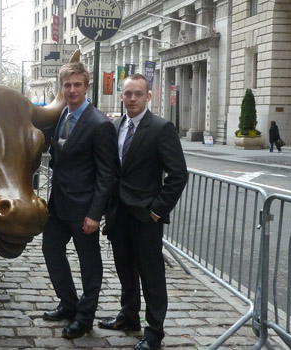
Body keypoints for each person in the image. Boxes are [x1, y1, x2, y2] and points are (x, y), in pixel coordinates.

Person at [99, 74, 188, 350]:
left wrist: (157, 211)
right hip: (119, 214)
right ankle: (128, 316)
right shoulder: (115, 126)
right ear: (121, 96)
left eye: (138, 93)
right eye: (128, 94)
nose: (132, 99)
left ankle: (154, 333)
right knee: (125, 269)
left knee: (151, 276)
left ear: (148, 96)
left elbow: (178, 175)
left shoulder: (161, 128)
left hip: (146, 216)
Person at [40, 61, 118, 339]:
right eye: (67, 85)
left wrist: (95, 214)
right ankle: (68, 303)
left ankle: (85, 317)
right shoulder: (62, 115)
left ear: (86, 87)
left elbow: (107, 175)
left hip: (84, 209)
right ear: (61, 88)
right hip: (58, 205)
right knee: (50, 250)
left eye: (77, 85)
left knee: (89, 264)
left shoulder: (99, 124)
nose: (72, 90)